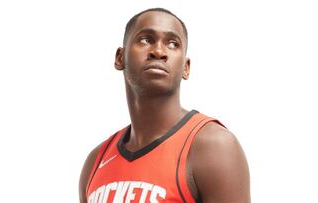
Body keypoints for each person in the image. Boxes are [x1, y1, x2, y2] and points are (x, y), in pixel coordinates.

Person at [79, 7, 250, 203]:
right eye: (146, 40)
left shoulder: (213, 146)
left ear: (186, 68)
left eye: (172, 44)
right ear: (120, 57)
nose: (159, 51)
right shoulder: (95, 162)